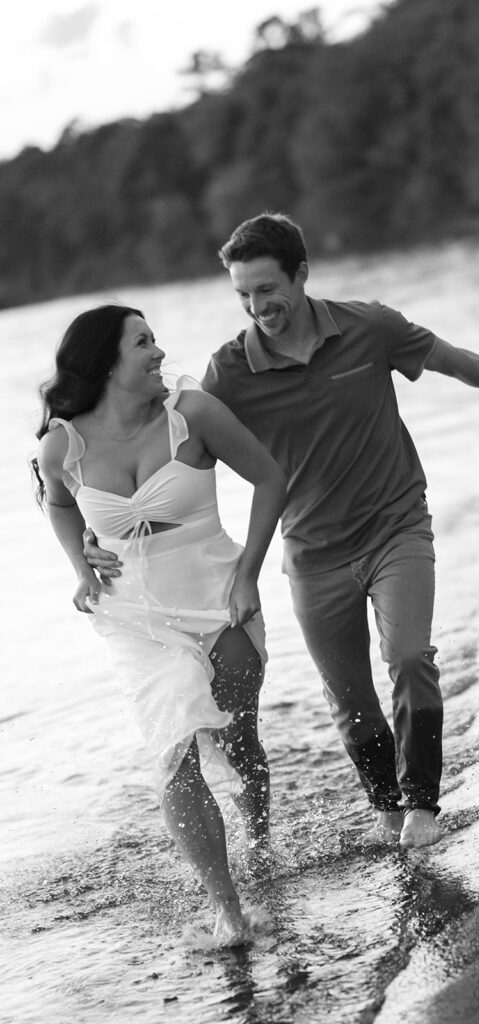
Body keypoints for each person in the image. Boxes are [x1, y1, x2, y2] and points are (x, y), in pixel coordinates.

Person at [87, 214, 479, 852]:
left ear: (301, 273)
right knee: (351, 698)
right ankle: (386, 809)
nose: (257, 306)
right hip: (312, 555)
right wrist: (102, 532)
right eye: (243, 294)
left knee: (409, 657)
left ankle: (421, 803)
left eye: (267, 289)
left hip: (396, 527)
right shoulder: (229, 371)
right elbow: (165, 450)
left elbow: (452, 361)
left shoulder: (370, 327)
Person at [34, 304, 287, 946]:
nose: (158, 352)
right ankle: (228, 911)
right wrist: (82, 568)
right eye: (142, 342)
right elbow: (58, 503)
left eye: (154, 339)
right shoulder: (62, 445)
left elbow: (270, 477)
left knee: (239, 739)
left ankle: (259, 840)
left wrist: (249, 575)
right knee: (176, 749)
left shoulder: (192, 414)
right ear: (105, 363)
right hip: (135, 617)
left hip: (217, 593)